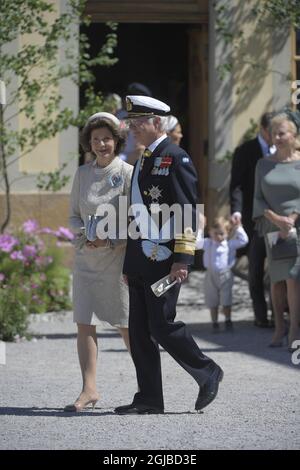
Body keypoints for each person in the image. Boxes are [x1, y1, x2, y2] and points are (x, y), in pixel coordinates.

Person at [114, 95, 224, 415]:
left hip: (166, 259)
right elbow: (138, 214)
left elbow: (188, 210)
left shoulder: (176, 157)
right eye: (131, 123)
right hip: (141, 258)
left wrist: (183, 258)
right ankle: (149, 397)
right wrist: (129, 263)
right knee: (138, 331)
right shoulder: (143, 160)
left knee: (161, 324)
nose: (133, 128)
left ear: (157, 123)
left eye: (138, 123)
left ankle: (207, 372)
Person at [65, 112, 133, 411]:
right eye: (95, 140)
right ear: (88, 144)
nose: (101, 144)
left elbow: (137, 220)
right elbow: (72, 215)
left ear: (116, 141)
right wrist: (86, 235)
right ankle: (89, 389)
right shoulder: (82, 174)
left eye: (106, 138)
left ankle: (148, 386)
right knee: (84, 323)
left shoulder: (129, 173)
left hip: (117, 260)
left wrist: (109, 239)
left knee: (126, 324)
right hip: (86, 260)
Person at [252, 109, 300, 352]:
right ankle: (279, 327)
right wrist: (276, 218)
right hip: (273, 227)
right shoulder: (263, 164)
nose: (277, 137)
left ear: (293, 134)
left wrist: (290, 218)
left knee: (293, 278)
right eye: (273, 133)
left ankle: (293, 329)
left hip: (297, 228)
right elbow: (258, 199)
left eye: (281, 133)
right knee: (277, 280)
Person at [230, 112, 275, 327]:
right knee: (256, 268)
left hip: (277, 218)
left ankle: (278, 314)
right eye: (272, 132)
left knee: (277, 269)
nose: (276, 136)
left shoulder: (285, 151)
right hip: (253, 218)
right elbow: (237, 185)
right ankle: (260, 316)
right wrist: (236, 211)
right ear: (263, 129)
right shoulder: (245, 151)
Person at [196, 217, 248, 332]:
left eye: (222, 233)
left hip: (225, 274)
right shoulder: (208, 243)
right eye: (215, 233)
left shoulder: (229, 244)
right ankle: (214, 322)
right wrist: (200, 227)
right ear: (210, 232)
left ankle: (228, 320)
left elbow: (244, 240)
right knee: (212, 299)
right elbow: (196, 243)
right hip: (210, 275)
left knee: (226, 299)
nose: (219, 236)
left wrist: (238, 226)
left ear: (227, 233)